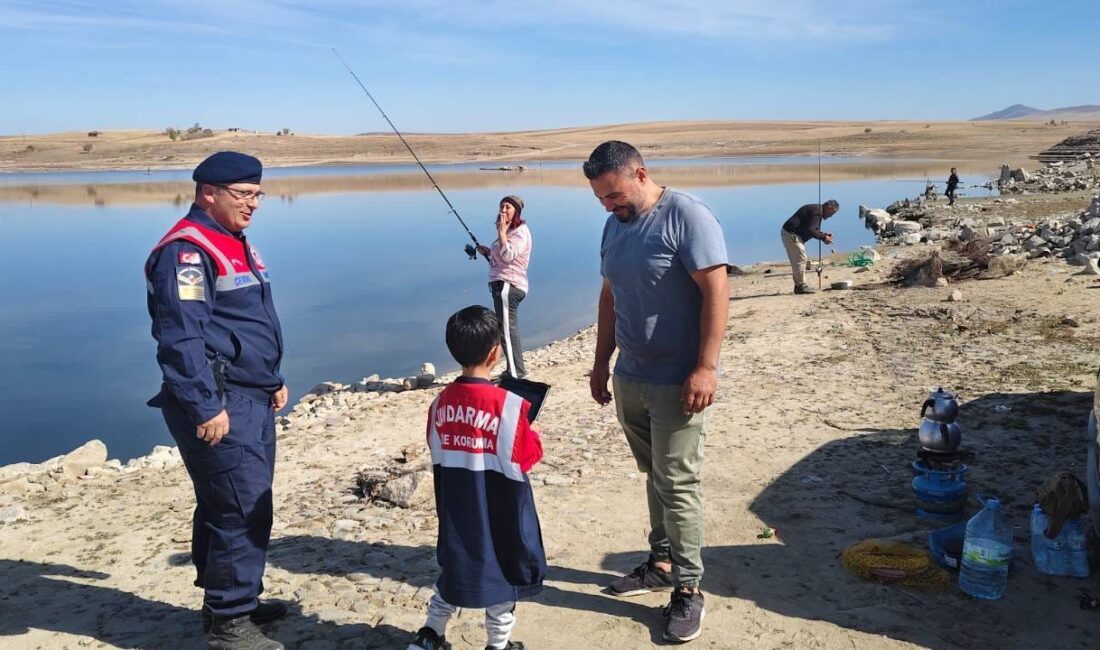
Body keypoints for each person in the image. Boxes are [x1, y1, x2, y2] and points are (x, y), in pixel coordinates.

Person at [584, 141, 729, 643]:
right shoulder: (613, 226)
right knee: (654, 475)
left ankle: (689, 589)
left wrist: (706, 367)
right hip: (631, 376)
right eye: (602, 198)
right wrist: (601, 362)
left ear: (641, 174)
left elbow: (716, 290)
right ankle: (662, 562)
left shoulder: (687, 216)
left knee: (679, 483)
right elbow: (609, 296)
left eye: (615, 194)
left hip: (678, 380)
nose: (609, 205)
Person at [145, 151, 288, 650]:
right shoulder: (187, 252)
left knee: (226, 501)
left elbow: (240, 324)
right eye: (244, 195)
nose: (254, 204)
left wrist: (271, 379)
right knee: (240, 508)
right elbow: (181, 339)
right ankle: (230, 623)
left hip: (250, 396)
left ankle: (229, 603)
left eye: (257, 194)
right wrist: (205, 406)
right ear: (209, 192)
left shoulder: (232, 241)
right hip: (220, 402)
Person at [408, 305, 545, 650]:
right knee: (500, 579)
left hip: (456, 506)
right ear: (495, 352)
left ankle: (430, 634)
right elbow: (528, 458)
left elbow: (435, 445)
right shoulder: (511, 406)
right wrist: (532, 430)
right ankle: (498, 644)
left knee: (453, 572)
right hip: (500, 509)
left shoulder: (439, 403)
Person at [476, 195, 532, 379]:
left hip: (509, 285)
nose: (503, 210)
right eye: (501, 206)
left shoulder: (520, 232)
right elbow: (502, 256)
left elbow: (508, 255)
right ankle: (513, 370)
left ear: (516, 211)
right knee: (505, 329)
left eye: (507, 207)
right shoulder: (510, 232)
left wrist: (501, 232)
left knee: (507, 330)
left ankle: (516, 374)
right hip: (501, 284)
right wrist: (488, 251)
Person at [780, 199, 839, 294]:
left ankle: (799, 285)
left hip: (791, 234)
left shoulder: (817, 210)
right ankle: (801, 286)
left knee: (799, 259)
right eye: (832, 213)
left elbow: (812, 229)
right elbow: (811, 230)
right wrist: (824, 237)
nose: (831, 216)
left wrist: (824, 235)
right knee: (800, 260)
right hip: (791, 234)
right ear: (829, 207)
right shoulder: (817, 212)